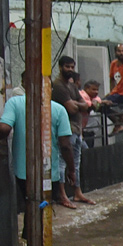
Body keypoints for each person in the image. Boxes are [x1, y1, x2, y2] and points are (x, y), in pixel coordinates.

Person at [0, 71, 76, 229]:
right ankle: (40, 242)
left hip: (23, 173)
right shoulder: (58, 109)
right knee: (43, 207)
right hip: (50, 173)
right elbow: (65, 145)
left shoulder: (14, 103)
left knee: (31, 205)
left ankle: (31, 240)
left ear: (23, 83)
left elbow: (4, 128)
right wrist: (71, 170)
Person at [51, 56, 92, 205]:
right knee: (62, 163)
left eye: (72, 67)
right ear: (61, 67)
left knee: (76, 162)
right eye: (67, 67)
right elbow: (72, 107)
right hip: (64, 130)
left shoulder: (72, 85)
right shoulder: (58, 86)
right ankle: (62, 195)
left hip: (76, 129)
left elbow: (85, 105)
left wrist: (77, 104)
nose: (70, 70)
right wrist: (78, 104)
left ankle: (77, 193)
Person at [80, 79, 103, 148]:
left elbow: (98, 99)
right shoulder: (82, 95)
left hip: (90, 131)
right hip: (83, 131)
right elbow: (87, 104)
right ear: (86, 89)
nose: (96, 92)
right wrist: (94, 103)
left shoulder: (93, 97)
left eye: (97, 90)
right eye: (93, 89)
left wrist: (96, 101)